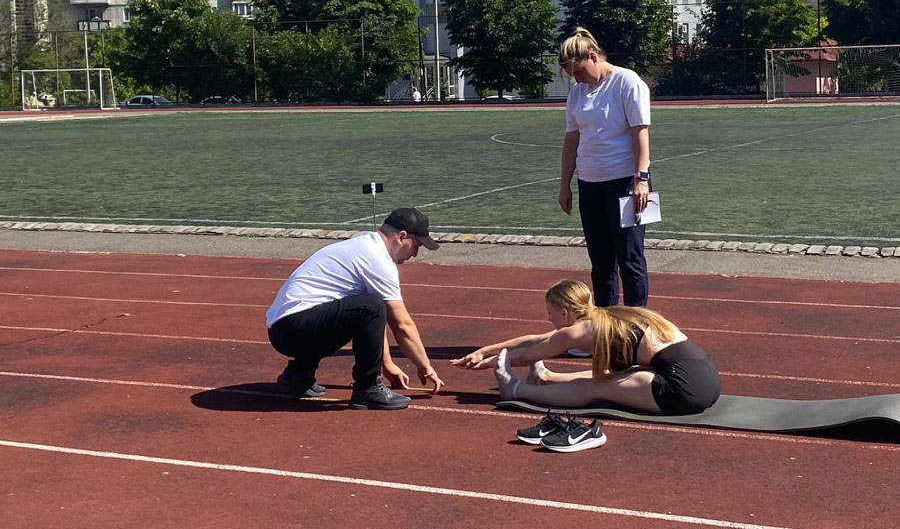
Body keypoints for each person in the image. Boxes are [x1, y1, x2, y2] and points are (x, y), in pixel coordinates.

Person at [452, 280, 720, 415]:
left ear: (565, 313)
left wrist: (491, 363)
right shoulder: (605, 318)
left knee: (598, 388)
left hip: (684, 390)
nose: (548, 318)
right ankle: (546, 378)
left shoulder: (578, 331)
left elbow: (526, 355)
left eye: (549, 313)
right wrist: (486, 349)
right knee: (615, 376)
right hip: (707, 378)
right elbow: (537, 339)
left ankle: (517, 390)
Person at [266, 207, 445, 410]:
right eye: (416, 245)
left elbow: (371, 323)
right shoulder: (377, 259)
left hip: (284, 329)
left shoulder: (363, 246)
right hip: (294, 327)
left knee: (365, 307)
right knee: (371, 305)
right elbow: (402, 325)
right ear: (401, 236)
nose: (415, 253)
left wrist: (387, 363)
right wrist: (425, 367)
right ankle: (367, 388)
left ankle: (299, 373)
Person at [557, 27, 653, 311]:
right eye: (572, 75)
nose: (577, 79)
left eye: (579, 71)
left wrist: (641, 179)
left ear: (592, 56)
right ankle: (606, 323)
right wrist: (565, 186)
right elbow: (571, 140)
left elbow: (640, 133)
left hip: (624, 182)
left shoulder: (627, 82)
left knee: (629, 259)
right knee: (600, 262)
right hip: (590, 184)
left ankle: (637, 325)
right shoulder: (577, 93)